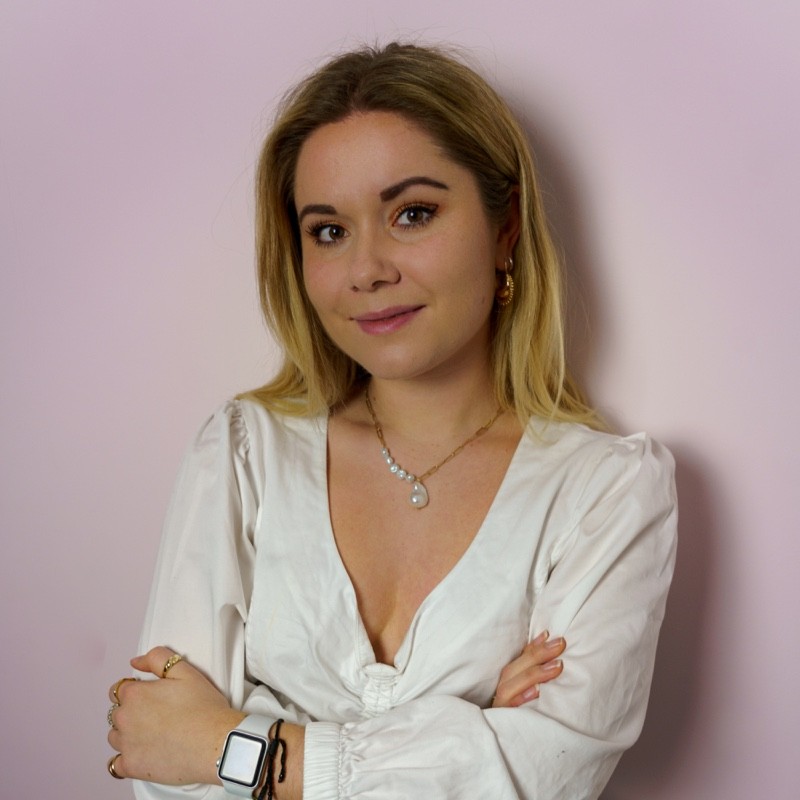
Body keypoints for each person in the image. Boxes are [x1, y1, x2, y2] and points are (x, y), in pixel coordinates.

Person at [106, 42, 677, 800]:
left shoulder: (606, 492)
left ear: (505, 228)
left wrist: (227, 744)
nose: (367, 270)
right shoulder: (244, 452)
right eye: (328, 230)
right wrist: (469, 733)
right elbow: (161, 760)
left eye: (412, 214)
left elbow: (547, 776)